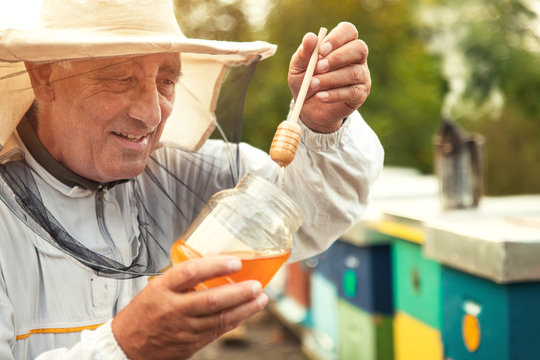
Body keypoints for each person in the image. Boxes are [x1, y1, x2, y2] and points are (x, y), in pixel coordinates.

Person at [0, 0, 383, 359]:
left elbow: (308, 210)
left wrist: (321, 124)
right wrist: (125, 345)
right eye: (120, 79)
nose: (151, 114)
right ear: (43, 78)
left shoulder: (180, 172)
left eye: (167, 81)